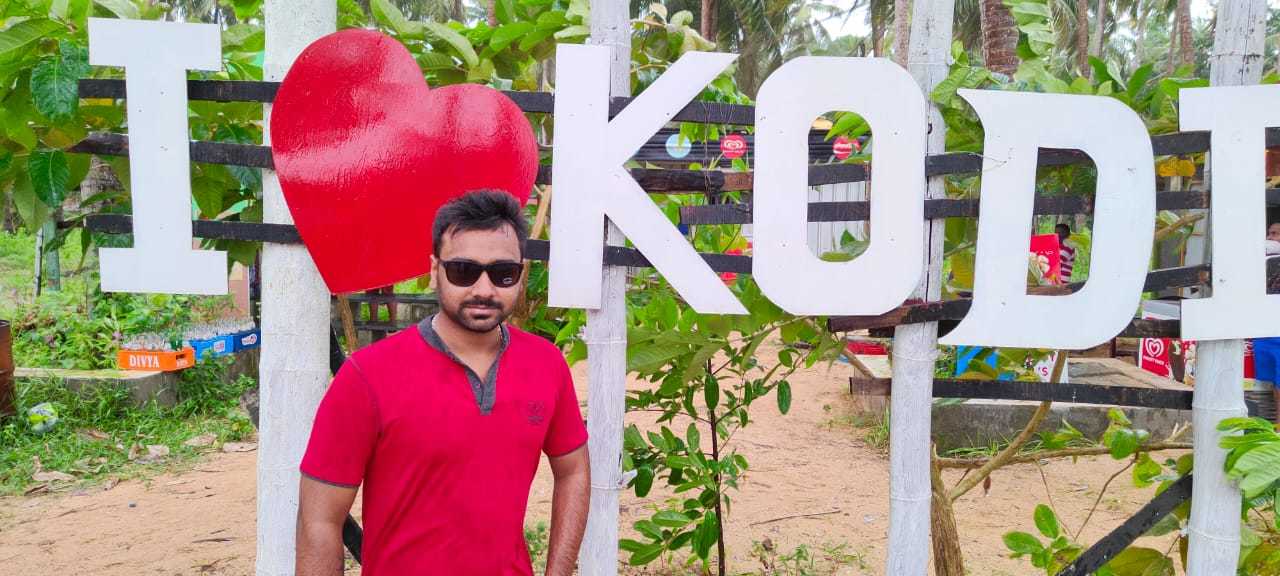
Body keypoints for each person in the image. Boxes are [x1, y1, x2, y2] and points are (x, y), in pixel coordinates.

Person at [295, 190, 591, 575]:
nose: (484, 290)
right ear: (435, 269)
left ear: (521, 274)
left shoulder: (546, 365)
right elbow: (319, 520)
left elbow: (574, 470)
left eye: (503, 273)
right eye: (463, 271)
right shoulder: (368, 377)